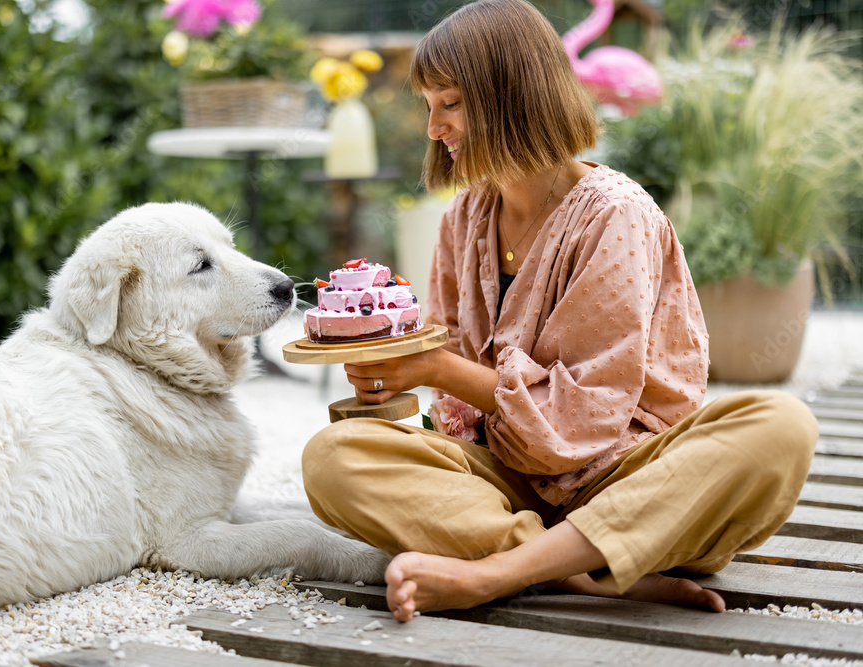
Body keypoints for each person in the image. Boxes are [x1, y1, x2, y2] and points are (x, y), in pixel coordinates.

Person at [301, 0, 818, 623]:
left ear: (511, 95)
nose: (434, 128)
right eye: (429, 105)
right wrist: (395, 380)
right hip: (511, 483)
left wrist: (433, 369)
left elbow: (583, 421)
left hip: (629, 479)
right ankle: (582, 574)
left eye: (453, 102)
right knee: (334, 456)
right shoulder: (464, 219)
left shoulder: (615, 215)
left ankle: (498, 572)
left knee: (781, 425)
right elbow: (458, 408)